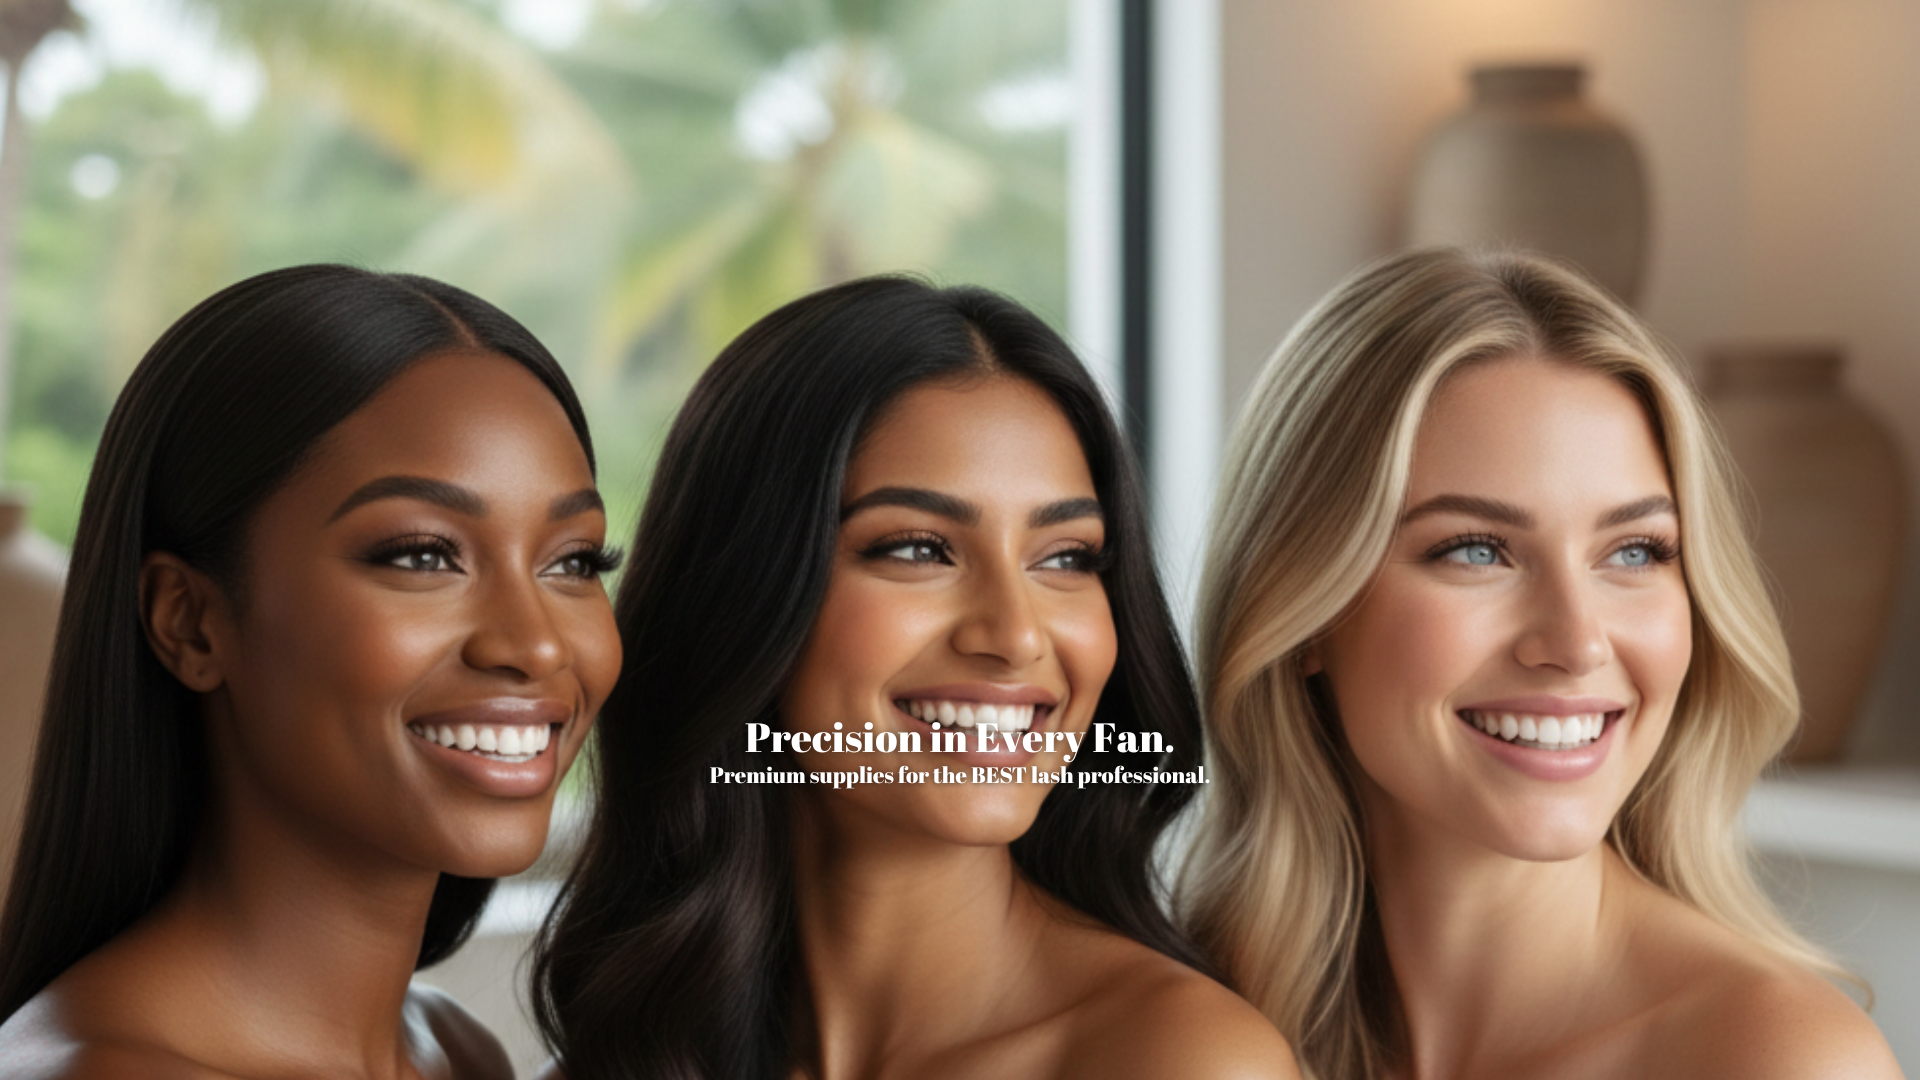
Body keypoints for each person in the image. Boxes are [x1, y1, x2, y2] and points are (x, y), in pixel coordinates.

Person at [533, 276, 1297, 1079]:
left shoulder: (1183, 1062)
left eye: (1066, 558)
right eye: (918, 549)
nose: (1014, 635)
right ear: (743, 594)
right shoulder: (625, 1058)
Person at [1180, 247, 1901, 1079]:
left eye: (1634, 551)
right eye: (1478, 550)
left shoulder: (1776, 1061)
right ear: (1305, 610)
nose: (1578, 642)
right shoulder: (1178, 1028)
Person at [0, 265, 622, 1078]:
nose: (537, 647)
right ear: (187, 622)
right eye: (423, 555)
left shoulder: (457, 1053)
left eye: (573, 562)